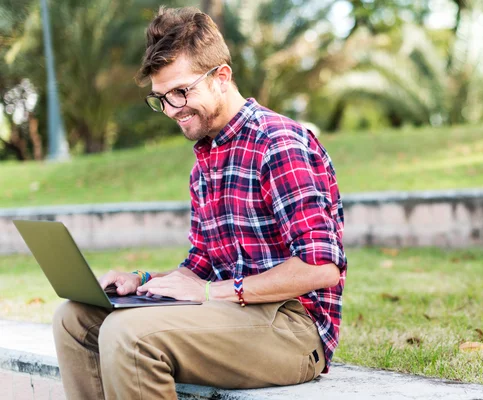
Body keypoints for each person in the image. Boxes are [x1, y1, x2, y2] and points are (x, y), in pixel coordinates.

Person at [52, 6, 347, 400]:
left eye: (181, 92)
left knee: (130, 336)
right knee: (74, 318)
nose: (172, 110)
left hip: (294, 329)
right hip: (232, 314)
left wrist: (214, 293)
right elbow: (203, 264)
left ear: (221, 77)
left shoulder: (278, 144)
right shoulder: (205, 162)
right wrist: (143, 282)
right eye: (162, 98)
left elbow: (321, 267)